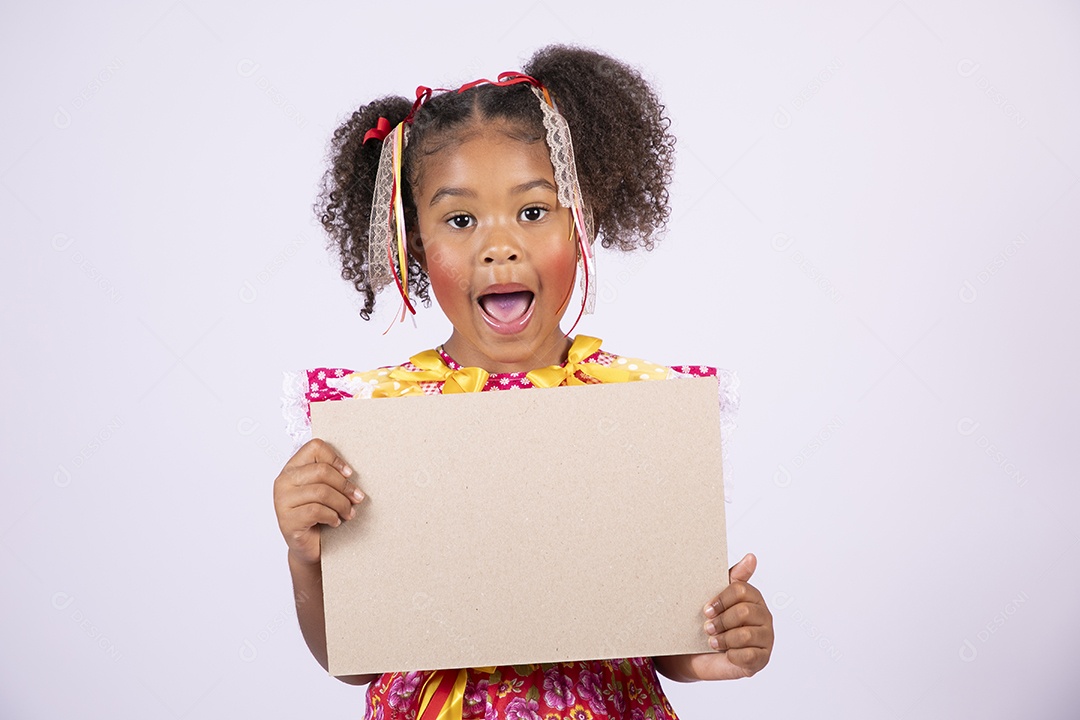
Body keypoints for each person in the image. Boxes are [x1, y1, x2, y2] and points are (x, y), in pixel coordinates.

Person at [274, 45, 774, 720]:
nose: (499, 245)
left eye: (533, 212)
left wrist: (720, 643)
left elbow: (660, 626)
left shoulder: (639, 409)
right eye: (460, 220)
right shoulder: (378, 420)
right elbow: (356, 660)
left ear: (580, 217)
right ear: (415, 242)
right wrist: (306, 557)